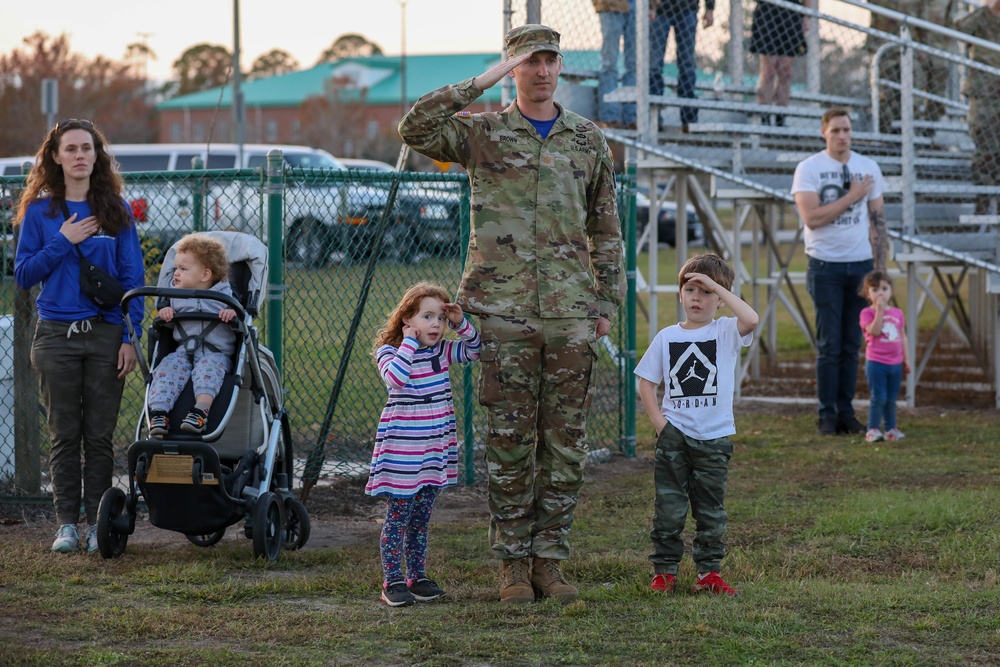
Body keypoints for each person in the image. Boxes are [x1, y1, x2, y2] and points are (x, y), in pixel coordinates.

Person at [398, 24, 624, 603]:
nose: (542, 70)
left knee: (565, 443)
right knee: (508, 443)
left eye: (550, 60)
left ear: (560, 66)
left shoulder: (587, 139)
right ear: (513, 68)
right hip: (499, 317)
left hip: (571, 315)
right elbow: (415, 126)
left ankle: (550, 562)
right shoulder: (484, 133)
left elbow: (605, 227)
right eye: (529, 61)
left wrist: (607, 301)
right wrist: (485, 80)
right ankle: (512, 567)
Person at [13, 119, 145, 553]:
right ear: (55, 156)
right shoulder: (39, 212)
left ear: (97, 155)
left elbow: (132, 278)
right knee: (64, 433)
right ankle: (66, 525)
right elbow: (23, 275)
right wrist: (63, 240)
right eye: (70, 149)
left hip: (106, 335)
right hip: (54, 336)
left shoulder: (116, 211)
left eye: (86, 148)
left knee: (99, 436)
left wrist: (130, 336)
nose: (79, 156)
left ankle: (97, 524)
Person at [634, 253, 759, 596]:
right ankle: (665, 572)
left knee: (711, 512)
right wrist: (662, 426)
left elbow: (750, 317)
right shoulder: (667, 337)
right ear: (680, 294)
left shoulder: (726, 331)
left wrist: (716, 284)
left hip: (714, 439)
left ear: (720, 299)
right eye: (690, 289)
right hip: (675, 438)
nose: (696, 298)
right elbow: (646, 382)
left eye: (705, 292)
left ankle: (709, 574)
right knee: (669, 510)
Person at [365, 282, 481, 607]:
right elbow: (396, 379)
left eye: (440, 319)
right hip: (404, 451)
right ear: (407, 320)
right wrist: (409, 344)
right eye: (427, 317)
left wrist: (460, 323)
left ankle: (417, 576)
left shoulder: (442, 352)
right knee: (399, 516)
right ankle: (393, 581)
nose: (435, 325)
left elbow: (476, 349)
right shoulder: (391, 352)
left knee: (421, 518)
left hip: (433, 450)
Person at [792, 108, 889, 436]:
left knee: (851, 343)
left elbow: (878, 222)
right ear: (824, 132)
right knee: (829, 343)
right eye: (835, 130)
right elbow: (813, 218)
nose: (842, 135)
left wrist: (880, 270)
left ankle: (846, 413)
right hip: (825, 267)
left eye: (847, 129)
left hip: (861, 267)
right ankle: (826, 415)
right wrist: (852, 196)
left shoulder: (868, 167)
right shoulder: (809, 169)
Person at [147, 234, 237, 437]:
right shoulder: (175, 295)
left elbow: (239, 315)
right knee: (167, 368)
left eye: (183, 269)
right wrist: (166, 313)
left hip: (215, 354)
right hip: (184, 352)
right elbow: (166, 319)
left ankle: (200, 412)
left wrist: (232, 314)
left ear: (205, 275)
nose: (175, 274)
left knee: (208, 371)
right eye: (176, 268)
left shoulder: (224, 296)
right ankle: (159, 412)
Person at [867, 0, 955, 133]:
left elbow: (942, 23)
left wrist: (921, 46)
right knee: (885, 93)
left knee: (917, 94)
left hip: (915, 48)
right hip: (885, 47)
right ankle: (884, 133)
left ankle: (919, 133)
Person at [954, 0, 1000, 215]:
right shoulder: (982, 18)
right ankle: (982, 202)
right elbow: (960, 30)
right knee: (983, 145)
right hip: (984, 94)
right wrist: (988, 9)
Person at [859, 270, 909, 443]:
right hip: (876, 363)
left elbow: (902, 336)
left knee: (890, 399)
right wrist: (879, 311)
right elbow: (874, 331)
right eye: (875, 290)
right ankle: (872, 429)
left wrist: (906, 359)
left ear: (891, 291)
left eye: (884, 288)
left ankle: (890, 429)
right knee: (878, 397)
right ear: (868, 294)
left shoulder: (897, 313)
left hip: (895, 364)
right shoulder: (867, 313)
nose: (880, 293)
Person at [650, 0, 714, 130]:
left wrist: (709, 8)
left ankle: (689, 119)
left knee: (687, 65)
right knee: (654, 66)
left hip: (687, 8)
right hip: (660, 7)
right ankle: (653, 118)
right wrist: (650, 5)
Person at [749, 0, 809, 126]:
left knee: (785, 72)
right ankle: (765, 118)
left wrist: (806, 15)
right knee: (768, 71)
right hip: (768, 11)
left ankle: (780, 119)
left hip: (792, 12)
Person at [593, 0, 638, 128]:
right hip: (611, 4)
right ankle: (610, 117)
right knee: (609, 63)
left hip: (638, 5)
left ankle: (632, 117)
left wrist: (651, 6)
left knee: (634, 65)